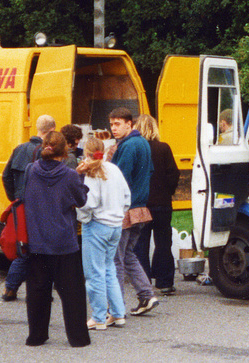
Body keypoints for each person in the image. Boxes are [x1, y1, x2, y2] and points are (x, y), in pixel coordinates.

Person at [23, 131, 90, 347]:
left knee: (37, 291)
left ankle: (37, 335)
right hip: (63, 240)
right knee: (73, 293)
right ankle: (78, 338)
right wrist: (81, 176)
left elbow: (23, 194)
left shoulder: (31, 171)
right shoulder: (69, 174)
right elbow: (80, 200)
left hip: (36, 238)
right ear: (64, 151)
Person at [107, 107, 158, 316]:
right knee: (127, 254)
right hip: (140, 208)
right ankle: (146, 294)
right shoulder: (143, 143)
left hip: (125, 209)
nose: (113, 128)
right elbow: (150, 171)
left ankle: (116, 308)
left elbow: (119, 178)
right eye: (111, 124)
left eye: (117, 124)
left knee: (116, 259)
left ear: (130, 124)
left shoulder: (128, 146)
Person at [76, 137, 130, 330]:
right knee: (109, 269)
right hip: (115, 225)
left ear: (86, 154)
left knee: (94, 273)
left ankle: (99, 316)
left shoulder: (92, 173)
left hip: (97, 225)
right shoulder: (114, 169)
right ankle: (117, 313)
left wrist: (80, 214)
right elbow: (126, 197)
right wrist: (119, 214)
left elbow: (90, 203)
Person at [0, 114, 56, 301]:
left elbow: (6, 175)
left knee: (23, 247)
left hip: (20, 205)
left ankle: (10, 288)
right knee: (42, 248)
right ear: (51, 130)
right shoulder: (45, 152)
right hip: (39, 207)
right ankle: (41, 291)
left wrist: (15, 196)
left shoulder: (19, 149)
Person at [132, 114, 180, 296]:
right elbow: (173, 174)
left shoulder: (135, 149)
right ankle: (165, 281)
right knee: (163, 243)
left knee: (141, 244)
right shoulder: (163, 148)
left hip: (141, 204)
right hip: (162, 203)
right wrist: (168, 191)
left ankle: (144, 284)